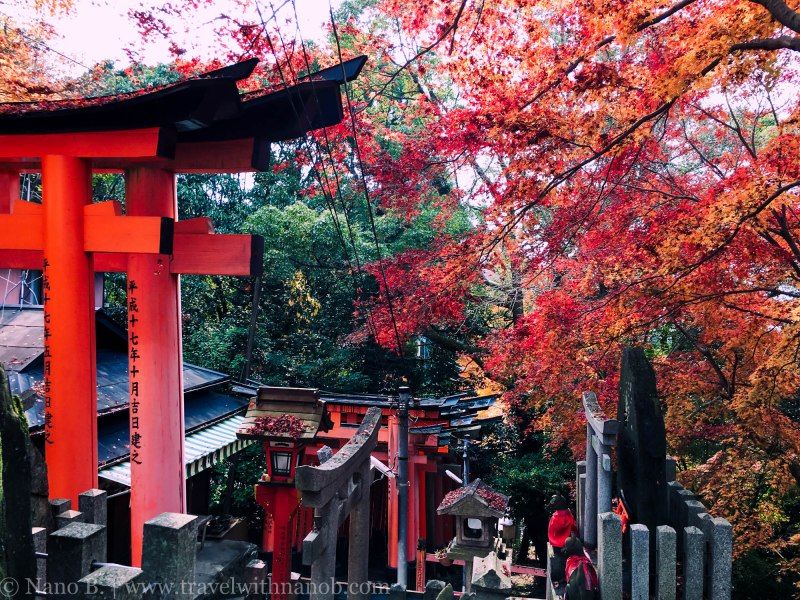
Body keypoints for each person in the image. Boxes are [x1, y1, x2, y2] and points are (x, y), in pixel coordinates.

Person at [547, 493, 578, 584]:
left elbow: (572, 528)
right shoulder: (566, 514)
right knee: (562, 559)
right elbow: (573, 527)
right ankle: (563, 577)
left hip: (560, 542)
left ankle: (562, 578)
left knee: (561, 560)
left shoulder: (562, 515)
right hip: (560, 541)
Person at [563, 534, 599, 600]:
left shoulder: (571, 562)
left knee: (567, 587)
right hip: (589, 596)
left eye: (566, 547)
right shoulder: (586, 560)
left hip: (575, 595)